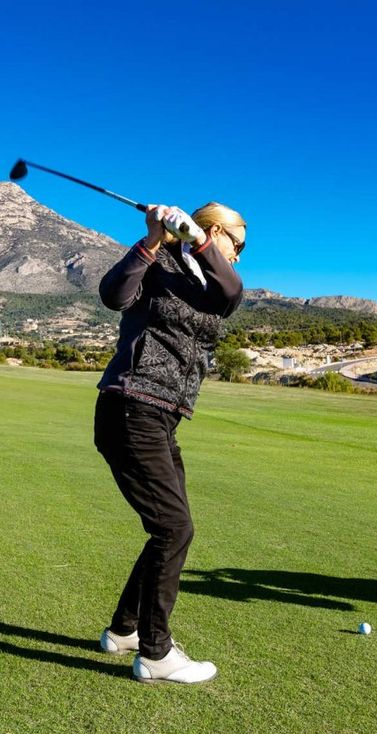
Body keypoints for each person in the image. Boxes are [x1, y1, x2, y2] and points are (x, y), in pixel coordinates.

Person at [93, 201, 246, 683]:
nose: (238, 256)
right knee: (174, 529)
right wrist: (155, 238)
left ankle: (124, 630)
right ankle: (156, 654)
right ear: (219, 230)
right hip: (130, 406)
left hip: (162, 418)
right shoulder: (157, 262)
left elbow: (231, 291)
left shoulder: (212, 282)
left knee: (171, 527)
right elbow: (113, 295)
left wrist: (197, 243)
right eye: (236, 245)